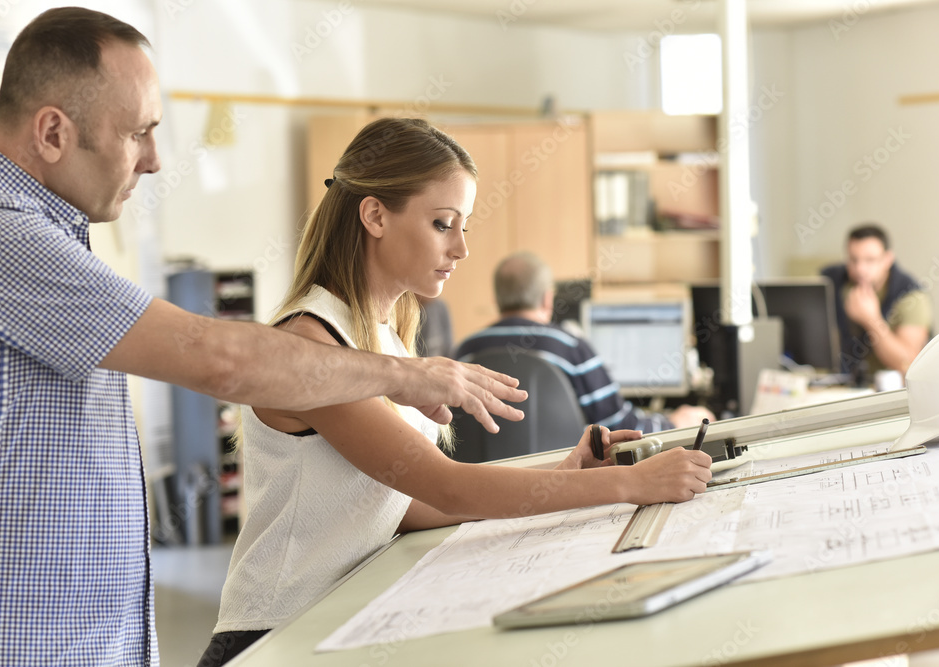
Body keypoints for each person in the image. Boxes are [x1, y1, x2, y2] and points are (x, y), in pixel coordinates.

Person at [0, 9, 527, 666]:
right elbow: (221, 360)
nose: (155, 159)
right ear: (53, 130)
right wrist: (408, 375)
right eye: (139, 133)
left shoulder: (42, 237)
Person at [200, 118, 713, 665]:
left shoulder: (385, 342)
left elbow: (408, 507)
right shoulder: (314, 343)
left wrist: (565, 474)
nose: (462, 248)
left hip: (339, 621)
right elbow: (447, 487)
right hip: (272, 637)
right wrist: (628, 483)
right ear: (374, 215)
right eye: (444, 224)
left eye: (463, 225)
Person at [456, 252, 715, 432]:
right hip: (564, 485)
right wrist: (674, 422)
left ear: (498, 298)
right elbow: (621, 427)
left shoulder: (464, 353)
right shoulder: (569, 346)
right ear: (548, 299)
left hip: (483, 491)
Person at [821, 224, 931, 381]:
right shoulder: (833, 282)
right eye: (853, 260)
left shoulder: (912, 297)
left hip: (889, 393)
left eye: (870, 260)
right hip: (844, 386)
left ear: (888, 259)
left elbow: (908, 364)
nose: (860, 269)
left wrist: (872, 320)